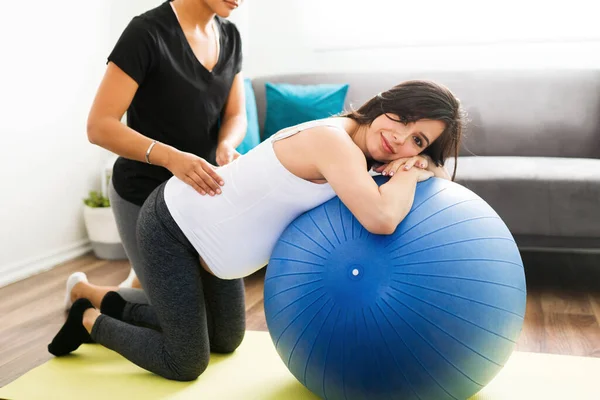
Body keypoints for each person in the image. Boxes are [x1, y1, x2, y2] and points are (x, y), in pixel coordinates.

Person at [49, 80, 465, 381]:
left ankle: (91, 293)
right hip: (175, 226)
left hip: (219, 255)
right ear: (384, 102)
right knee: (185, 362)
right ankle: (86, 319)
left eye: (417, 141)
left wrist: (423, 163)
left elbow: (442, 179)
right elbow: (382, 219)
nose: (399, 139)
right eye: (403, 119)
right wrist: (411, 174)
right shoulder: (333, 143)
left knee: (225, 340)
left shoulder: (365, 151)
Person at [77, 0, 247, 308]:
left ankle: (138, 289)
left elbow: (236, 114)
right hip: (143, 192)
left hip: (199, 193)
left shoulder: (231, 36)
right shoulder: (145, 33)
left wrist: (226, 144)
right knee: (181, 322)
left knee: (217, 330)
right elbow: (99, 126)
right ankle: (85, 294)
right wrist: (170, 157)